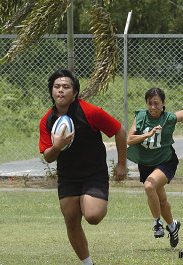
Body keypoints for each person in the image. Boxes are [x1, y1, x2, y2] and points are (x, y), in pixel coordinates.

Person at [39, 68, 127, 265]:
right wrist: (58, 146)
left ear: (75, 92)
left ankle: (88, 199)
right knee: (71, 219)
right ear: (51, 91)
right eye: (56, 87)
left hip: (93, 174)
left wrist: (122, 164)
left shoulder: (90, 111)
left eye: (66, 87)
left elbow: (119, 131)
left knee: (93, 216)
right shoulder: (47, 120)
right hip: (68, 176)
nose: (61, 90)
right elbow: (48, 157)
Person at [127, 87, 183, 248]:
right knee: (161, 200)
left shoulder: (169, 118)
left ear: (163, 103)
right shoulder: (140, 116)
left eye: (156, 103)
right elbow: (130, 140)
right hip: (146, 163)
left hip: (165, 160)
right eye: (150, 104)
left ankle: (157, 223)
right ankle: (172, 226)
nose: (153, 107)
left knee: (149, 186)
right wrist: (147, 135)